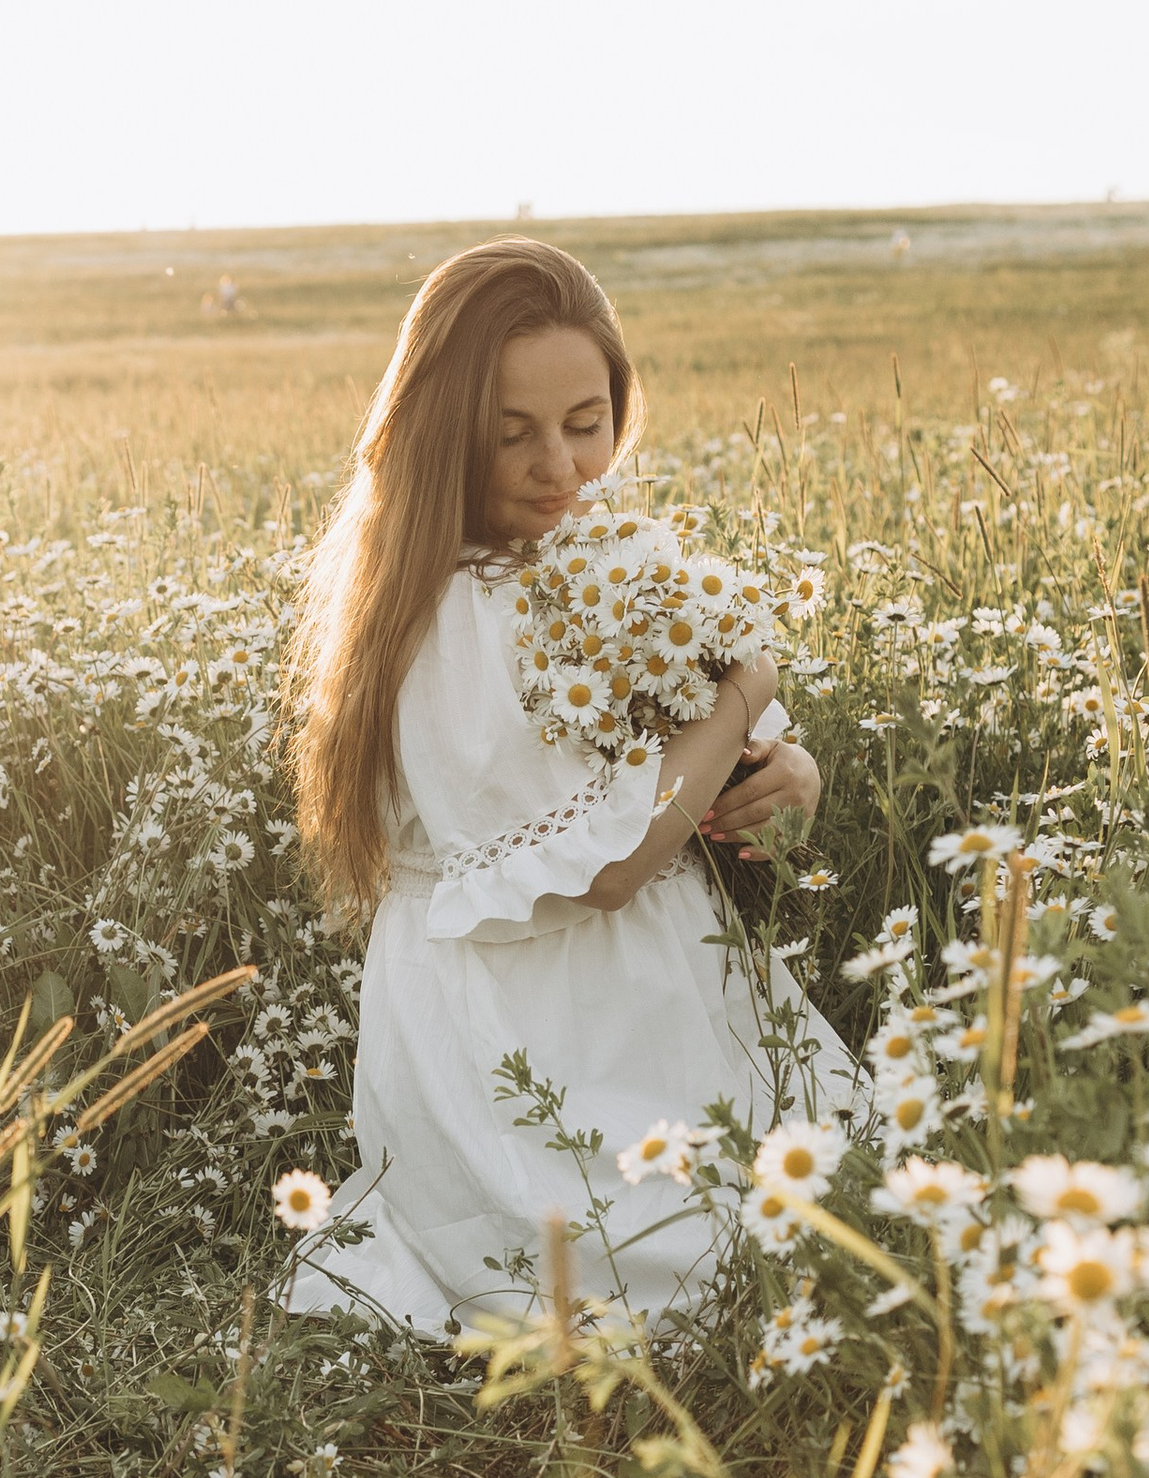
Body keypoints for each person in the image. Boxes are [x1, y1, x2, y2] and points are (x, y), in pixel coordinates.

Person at [280, 239, 856, 1335]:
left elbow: (703, 771)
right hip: (514, 1038)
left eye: (587, 423)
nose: (561, 467)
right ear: (443, 438)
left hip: (657, 1001)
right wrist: (748, 689)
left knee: (824, 1205)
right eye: (512, 436)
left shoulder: (598, 557)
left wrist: (786, 772)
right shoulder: (444, 616)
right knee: (676, 1264)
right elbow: (612, 866)